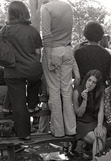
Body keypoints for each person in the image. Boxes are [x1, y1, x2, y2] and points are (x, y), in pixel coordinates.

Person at [3, 1, 42, 140]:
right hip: (32, 69)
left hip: (12, 71)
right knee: (36, 80)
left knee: (18, 103)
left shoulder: (5, 30)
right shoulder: (33, 31)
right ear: (25, 12)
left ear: (11, 13)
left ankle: (24, 134)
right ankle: (32, 104)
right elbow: (38, 53)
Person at [41, 0, 80, 137]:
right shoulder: (68, 6)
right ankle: (71, 128)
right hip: (67, 50)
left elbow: (46, 36)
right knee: (67, 92)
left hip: (53, 51)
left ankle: (58, 131)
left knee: (54, 92)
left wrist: (49, 57)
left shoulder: (46, 8)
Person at [73, 70, 107, 161]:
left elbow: (101, 111)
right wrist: (84, 100)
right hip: (81, 122)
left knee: (101, 135)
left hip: (95, 121)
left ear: (97, 84)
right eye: (89, 80)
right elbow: (78, 113)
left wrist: (99, 125)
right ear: (86, 80)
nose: (90, 84)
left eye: (94, 82)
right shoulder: (77, 91)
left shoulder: (100, 92)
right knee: (98, 141)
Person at [74, 21, 111, 86]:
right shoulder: (107, 54)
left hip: (84, 87)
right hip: (100, 89)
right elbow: (108, 75)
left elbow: (76, 75)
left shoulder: (78, 52)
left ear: (86, 35)